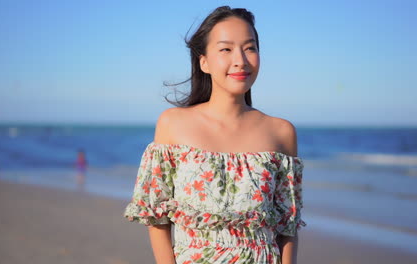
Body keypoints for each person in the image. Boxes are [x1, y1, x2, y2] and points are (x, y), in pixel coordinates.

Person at [124, 6, 306, 264]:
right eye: (226, 49)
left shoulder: (281, 132)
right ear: (204, 62)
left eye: (250, 47)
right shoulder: (173, 124)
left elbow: (287, 228)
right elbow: (157, 219)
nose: (241, 60)